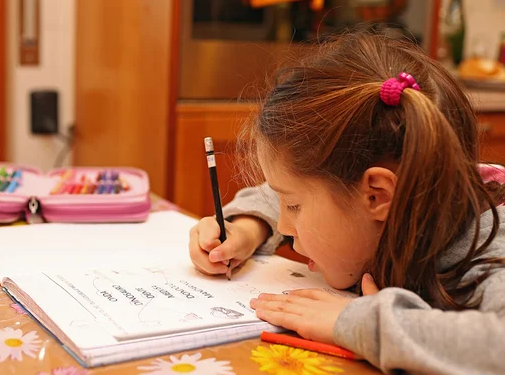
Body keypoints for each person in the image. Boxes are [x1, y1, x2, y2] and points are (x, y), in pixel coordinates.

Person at [188, 30, 505, 374]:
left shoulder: (487, 252)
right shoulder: (418, 195)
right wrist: (248, 230)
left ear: (377, 195)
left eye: (293, 207)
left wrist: (355, 322)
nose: (283, 225)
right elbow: (276, 189)